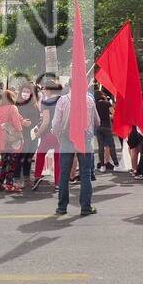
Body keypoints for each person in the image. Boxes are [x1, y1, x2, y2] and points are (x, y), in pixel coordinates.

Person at [52, 80, 97, 216]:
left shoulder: (63, 100)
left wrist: (59, 137)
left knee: (64, 173)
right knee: (85, 174)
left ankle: (62, 207)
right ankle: (85, 207)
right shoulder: (89, 100)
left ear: (69, 86)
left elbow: (56, 123)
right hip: (85, 139)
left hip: (67, 138)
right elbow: (97, 121)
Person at [0, 89, 25, 193]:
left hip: (2, 139)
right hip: (12, 139)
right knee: (12, 163)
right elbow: (17, 124)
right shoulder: (13, 108)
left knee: (3, 161)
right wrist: (20, 136)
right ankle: (9, 184)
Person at [94, 87, 118, 172]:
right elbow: (114, 114)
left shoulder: (94, 105)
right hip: (107, 126)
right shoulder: (107, 103)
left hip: (98, 127)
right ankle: (116, 164)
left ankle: (103, 165)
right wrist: (109, 116)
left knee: (101, 146)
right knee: (111, 145)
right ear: (102, 96)